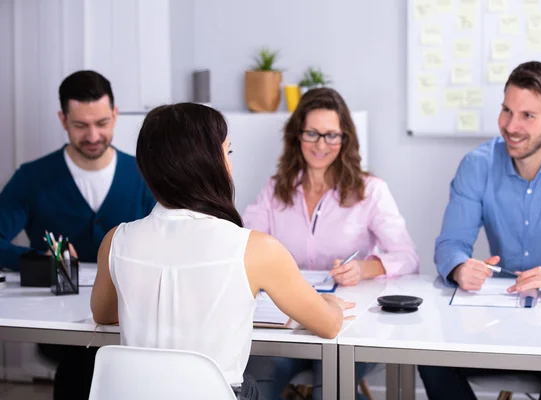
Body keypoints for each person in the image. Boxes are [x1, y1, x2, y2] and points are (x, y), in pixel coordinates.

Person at [90, 102, 355, 400]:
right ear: (211, 163)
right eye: (227, 153)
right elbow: (329, 326)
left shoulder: (116, 240)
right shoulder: (255, 248)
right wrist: (329, 302)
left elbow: (103, 314)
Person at [420, 61, 541, 400]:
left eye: (527, 116)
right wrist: (460, 267)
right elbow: (450, 243)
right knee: (430, 359)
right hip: (497, 319)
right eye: (506, 110)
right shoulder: (478, 165)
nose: (511, 126)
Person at [244, 88, 419, 400]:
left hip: (347, 324)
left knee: (332, 377)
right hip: (288, 322)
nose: (321, 145)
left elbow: (407, 257)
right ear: (297, 135)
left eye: (331, 135)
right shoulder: (274, 191)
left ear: (345, 138)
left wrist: (366, 268)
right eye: (312, 133)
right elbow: (246, 246)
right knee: (260, 378)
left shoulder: (371, 191)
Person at [0, 70, 156, 399]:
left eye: (102, 122)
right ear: (63, 119)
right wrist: (34, 260)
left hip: (129, 312)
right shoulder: (32, 178)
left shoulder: (146, 174)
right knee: (82, 360)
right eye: (80, 125)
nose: (94, 135)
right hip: (60, 322)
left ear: (115, 114)